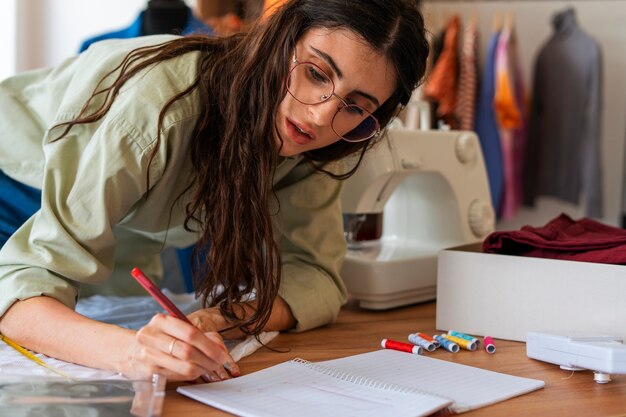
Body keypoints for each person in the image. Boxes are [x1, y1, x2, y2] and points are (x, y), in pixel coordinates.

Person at [0, 0, 429, 382]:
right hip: (12, 178)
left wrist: (222, 318)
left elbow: (317, 278)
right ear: (280, 37)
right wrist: (132, 352)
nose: (320, 116)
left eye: (356, 106)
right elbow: (19, 293)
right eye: (316, 73)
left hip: (111, 219)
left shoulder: (315, 142)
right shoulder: (157, 107)